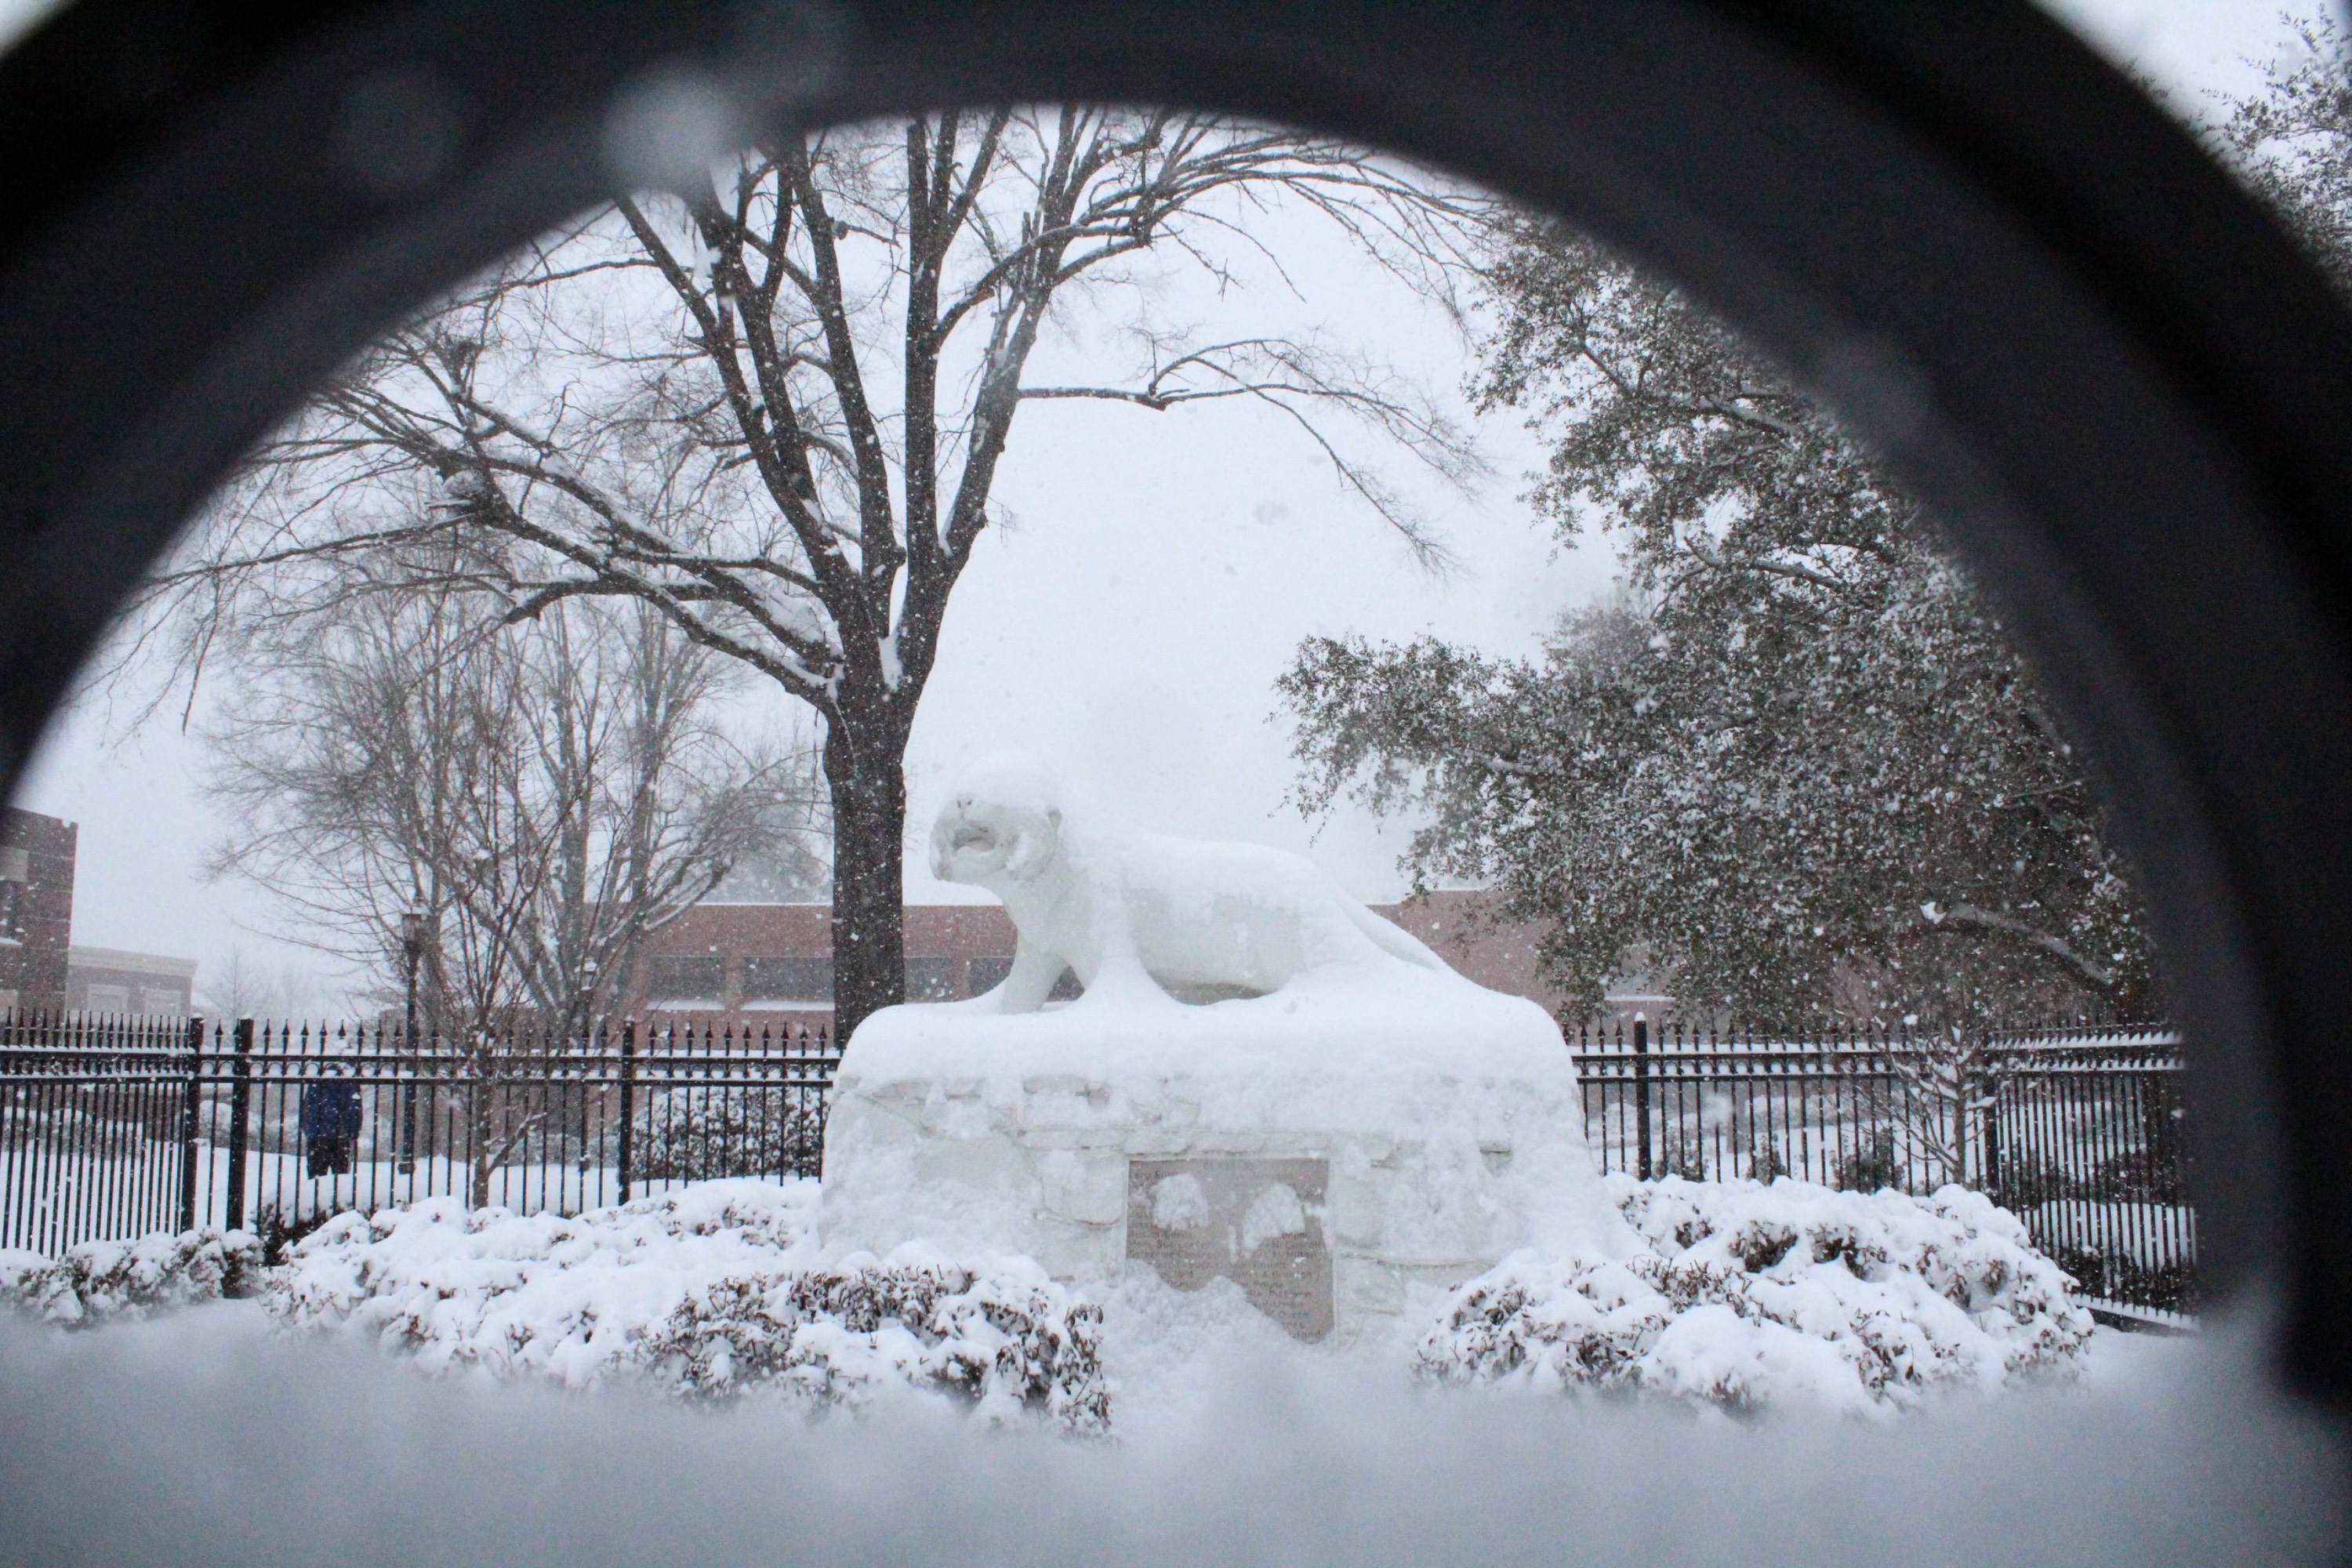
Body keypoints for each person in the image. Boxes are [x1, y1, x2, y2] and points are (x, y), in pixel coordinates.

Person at [299, 1061, 363, 1177]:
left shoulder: (317, 1083)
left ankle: (316, 1192)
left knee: (316, 1176)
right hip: (341, 1136)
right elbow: (354, 1110)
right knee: (341, 1176)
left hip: (317, 1136)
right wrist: (353, 1132)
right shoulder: (349, 1083)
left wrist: (308, 1129)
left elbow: (307, 1109)